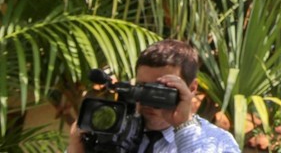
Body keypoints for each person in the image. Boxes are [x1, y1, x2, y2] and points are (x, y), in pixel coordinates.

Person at [68, 39, 239, 153]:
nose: (148, 100)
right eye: (142, 87)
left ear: (192, 88)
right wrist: (76, 148)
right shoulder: (114, 130)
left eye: (161, 89)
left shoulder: (217, 141)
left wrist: (183, 125)